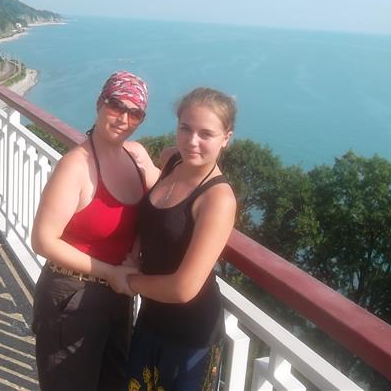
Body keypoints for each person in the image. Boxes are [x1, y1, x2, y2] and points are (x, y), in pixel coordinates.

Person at [31, 71, 158, 391]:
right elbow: (43, 240)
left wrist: (133, 255)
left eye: (135, 113)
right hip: (73, 295)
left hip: (118, 294)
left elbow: (162, 205)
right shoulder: (76, 166)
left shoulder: (137, 156)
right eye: (117, 106)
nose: (124, 118)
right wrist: (110, 272)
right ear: (100, 103)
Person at [125, 87, 237, 391]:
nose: (192, 141)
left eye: (206, 134)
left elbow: (184, 288)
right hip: (151, 318)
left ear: (226, 138)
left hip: (191, 337)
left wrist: (128, 281)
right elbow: (156, 219)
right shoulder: (173, 160)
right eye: (185, 128)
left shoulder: (217, 199)